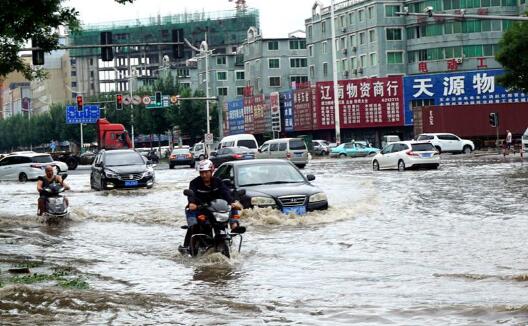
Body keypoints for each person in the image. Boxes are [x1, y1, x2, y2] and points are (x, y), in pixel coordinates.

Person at [181, 159, 244, 250]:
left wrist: (232, 202)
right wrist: (192, 203)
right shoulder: (194, 183)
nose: (204, 175)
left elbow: (225, 193)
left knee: (231, 207)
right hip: (199, 208)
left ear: (212, 171)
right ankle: (188, 247)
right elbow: (192, 195)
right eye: (202, 173)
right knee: (194, 226)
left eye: (206, 172)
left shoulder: (218, 182)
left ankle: (234, 225)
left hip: (215, 209)